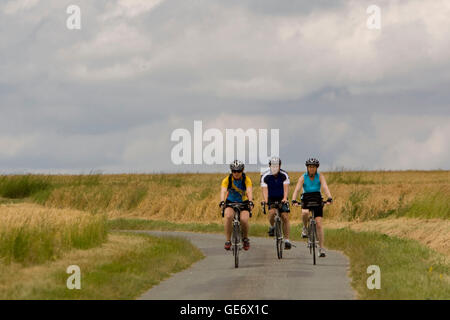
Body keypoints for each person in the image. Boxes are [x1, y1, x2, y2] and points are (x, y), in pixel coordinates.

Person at [292, 158, 332, 257]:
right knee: (305, 212)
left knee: (319, 224)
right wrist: (293, 199)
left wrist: (329, 197)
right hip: (306, 198)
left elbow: (325, 187)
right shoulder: (303, 177)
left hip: (317, 198)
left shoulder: (320, 176)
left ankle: (321, 248)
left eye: (313, 167)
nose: (312, 169)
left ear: (316, 168)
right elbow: (297, 189)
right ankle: (305, 228)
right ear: (307, 168)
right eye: (310, 167)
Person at [219, 160, 254, 251]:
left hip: (243, 202)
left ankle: (245, 239)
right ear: (231, 171)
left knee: (244, 219)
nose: (236, 173)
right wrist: (222, 201)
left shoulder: (246, 179)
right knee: (228, 216)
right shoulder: (227, 180)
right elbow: (223, 191)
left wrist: (250, 201)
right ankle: (227, 240)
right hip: (230, 201)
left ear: (242, 170)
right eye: (234, 171)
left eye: (239, 171)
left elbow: (249, 191)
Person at [260, 157, 292, 249]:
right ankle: (272, 226)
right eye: (273, 166)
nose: (274, 168)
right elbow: (264, 190)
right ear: (270, 166)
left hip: (282, 197)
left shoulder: (284, 175)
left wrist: (285, 198)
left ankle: (287, 240)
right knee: (272, 212)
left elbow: (286, 188)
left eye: (276, 166)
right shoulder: (265, 176)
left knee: (285, 217)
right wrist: (266, 201)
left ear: (279, 166)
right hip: (271, 197)